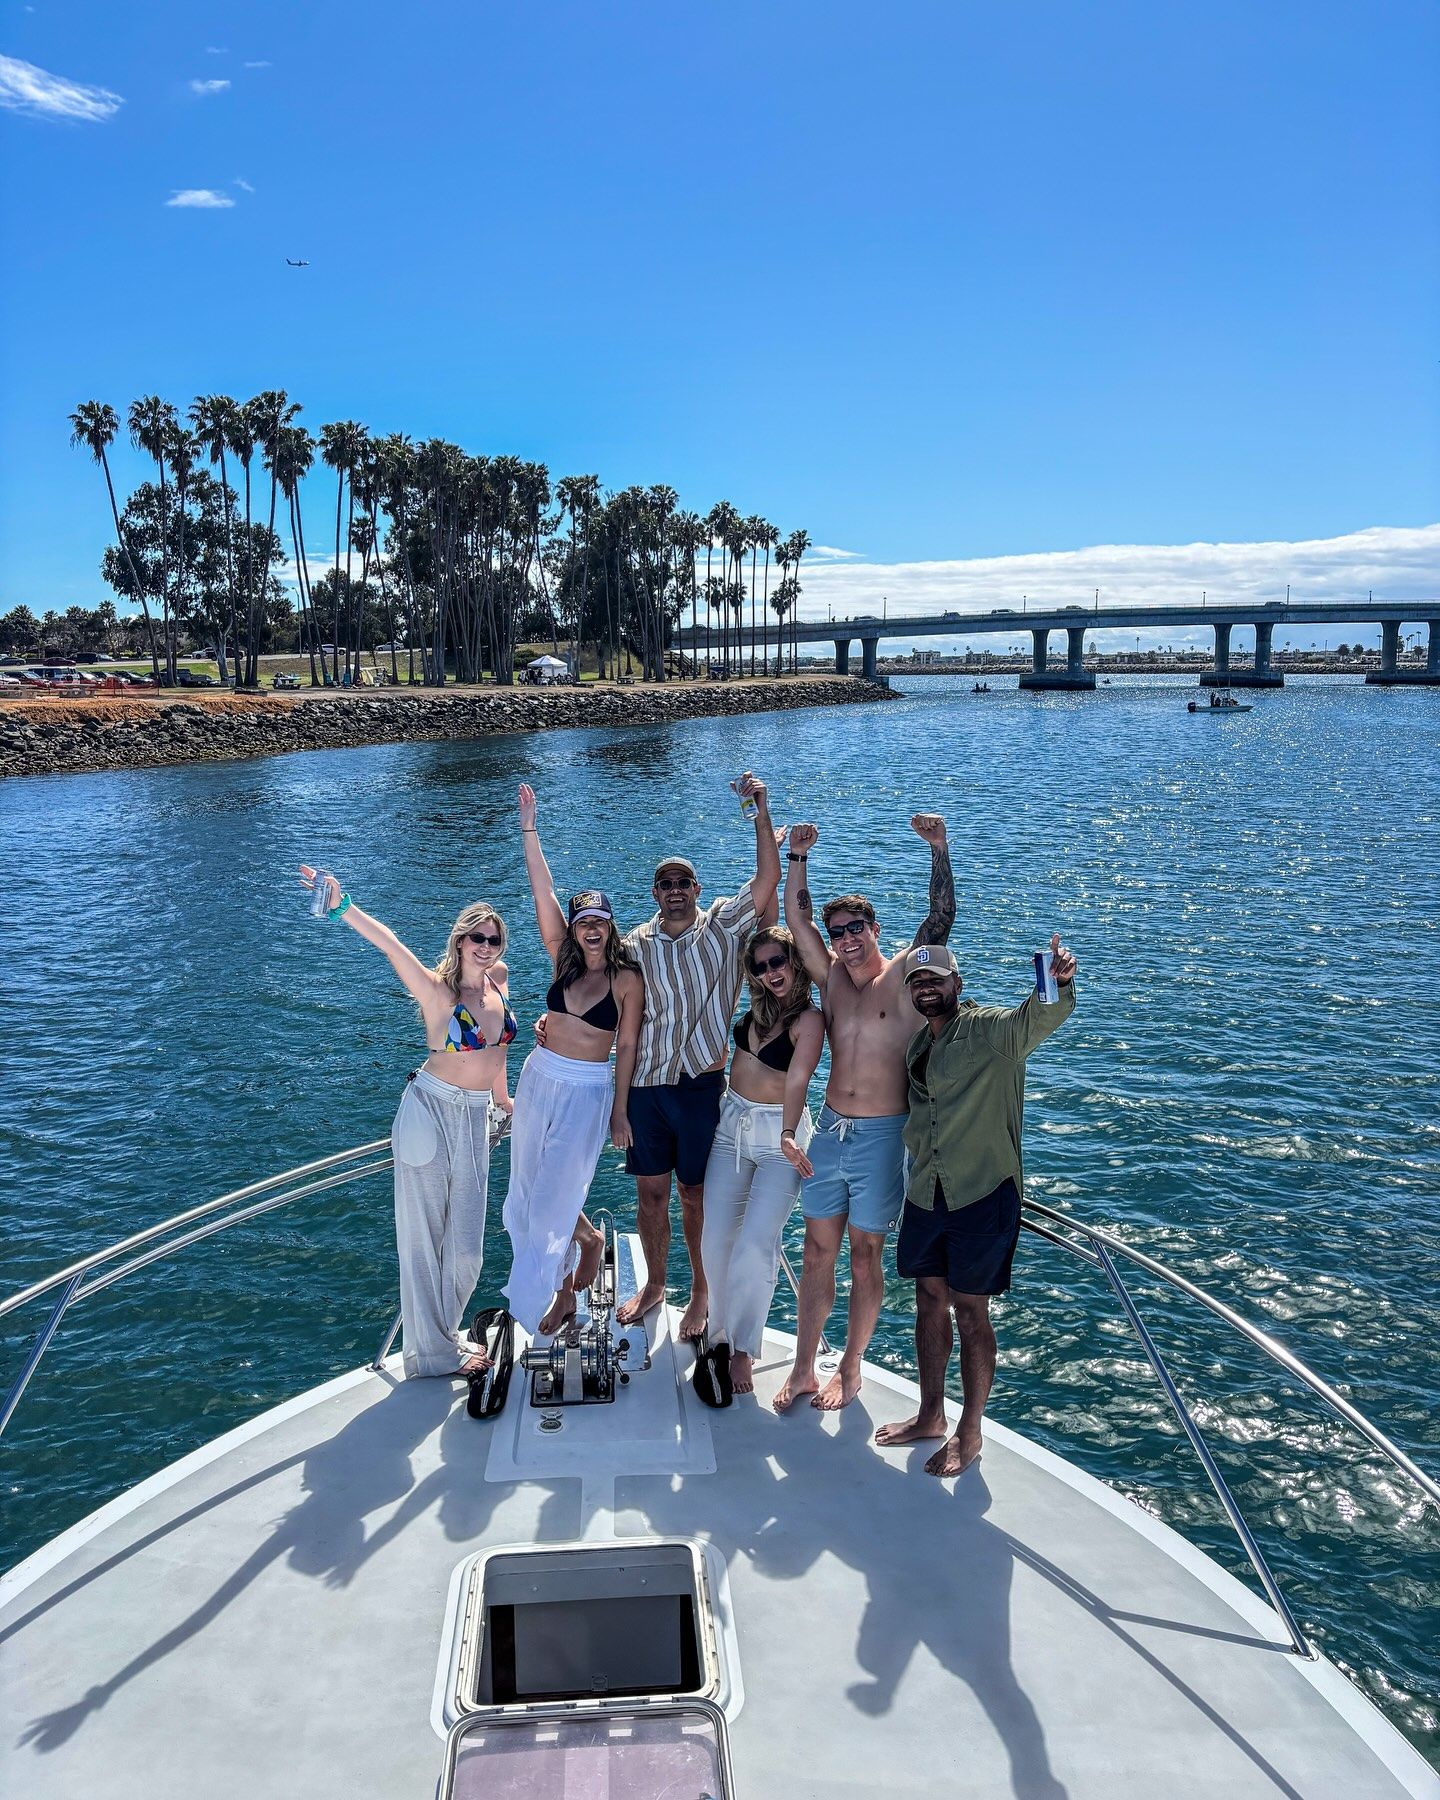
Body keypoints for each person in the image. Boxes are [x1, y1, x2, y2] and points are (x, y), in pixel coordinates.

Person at [299, 866, 513, 1379]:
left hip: (476, 1120)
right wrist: (342, 903)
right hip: (430, 1111)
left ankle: (438, 1342)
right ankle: (434, 1355)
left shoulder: (500, 983)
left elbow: (502, 1052)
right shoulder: (437, 993)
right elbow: (390, 944)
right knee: (422, 1240)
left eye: (495, 939)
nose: (487, 947)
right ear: (460, 942)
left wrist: (506, 1103)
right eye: (477, 938)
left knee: (465, 1251)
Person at [877, 935, 1077, 1477]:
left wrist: (1054, 979)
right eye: (917, 983)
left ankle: (971, 1430)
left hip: (980, 1192)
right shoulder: (919, 1044)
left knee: (970, 1312)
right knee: (927, 1301)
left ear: (956, 984)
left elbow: (1039, 1016)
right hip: (927, 1191)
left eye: (934, 980)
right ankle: (930, 1414)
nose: (925, 990)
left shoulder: (991, 1032)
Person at [775, 814, 954, 1412]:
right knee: (815, 1251)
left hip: (882, 1137)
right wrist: (797, 856)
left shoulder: (903, 974)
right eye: (839, 931)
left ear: (875, 930)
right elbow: (796, 921)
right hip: (829, 1131)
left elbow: (941, 921)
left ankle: (850, 1368)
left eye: (856, 928)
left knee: (864, 1254)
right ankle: (804, 1366)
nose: (847, 938)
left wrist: (939, 849)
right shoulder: (831, 981)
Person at [617, 772, 782, 1340]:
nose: (676, 889)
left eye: (684, 880)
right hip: (646, 1087)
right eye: (665, 883)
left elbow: (766, 880)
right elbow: (583, 969)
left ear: (696, 886)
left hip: (699, 1088)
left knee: (695, 1194)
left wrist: (760, 810)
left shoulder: (722, 929)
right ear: (655, 894)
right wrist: (551, 1021)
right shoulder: (635, 944)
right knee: (651, 1193)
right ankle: (656, 1284)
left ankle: (701, 1291)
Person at [504, 784, 643, 1334]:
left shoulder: (626, 978)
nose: (590, 928)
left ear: (610, 926)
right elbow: (544, 888)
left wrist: (621, 1111)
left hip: (588, 1088)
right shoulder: (562, 961)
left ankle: (544, 1299)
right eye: (583, 920)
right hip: (539, 1077)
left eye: (600, 922)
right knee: (525, 1193)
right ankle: (584, 1247)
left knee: (555, 1195)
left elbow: (627, 1045)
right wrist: (529, 828)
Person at [697, 927, 825, 1398]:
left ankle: (744, 1350)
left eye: (779, 962)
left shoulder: (809, 1019)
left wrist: (790, 1134)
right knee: (715, 1239)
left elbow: (799, 1080)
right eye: (762, 965)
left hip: (780, 1137)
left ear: (795, 961)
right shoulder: (756, 1008)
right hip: (732, 1125)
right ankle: (718, 1334)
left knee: (755, 1243)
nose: (771, 972)